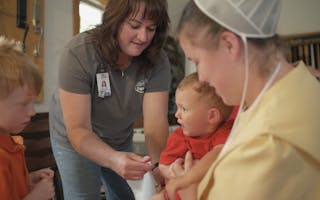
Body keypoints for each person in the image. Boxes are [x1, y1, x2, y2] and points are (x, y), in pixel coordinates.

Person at [154, 0, 320, 199]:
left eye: (198, 62)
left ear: (229, 45)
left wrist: (190, 193)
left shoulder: (267, 149)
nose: (202, 78)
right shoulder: (301, 87)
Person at [49, 0, 171, 199]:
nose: (143, 37)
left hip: (118, 137)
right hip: (75, 139)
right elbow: (79, 129)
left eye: (151, 28)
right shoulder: (79, 52)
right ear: (115, 20)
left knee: (127, 195)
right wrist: (113, 159)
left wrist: (159, 165)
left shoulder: (157, 60)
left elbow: (155, 123)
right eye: (134, 26)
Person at [158, 72, 233, 199]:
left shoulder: (225, 131)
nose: (177, 114)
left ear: (212, 116)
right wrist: (175, 173)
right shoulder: (179, 136)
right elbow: (163, 166)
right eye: (177, 108)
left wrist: (188, 177)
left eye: (184, 109)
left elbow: (219, 153)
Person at [0, 36, 55, 200]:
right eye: (24, 104)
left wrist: (27, 181)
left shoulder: (9, 142)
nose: (32, 112)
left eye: (33, 103)